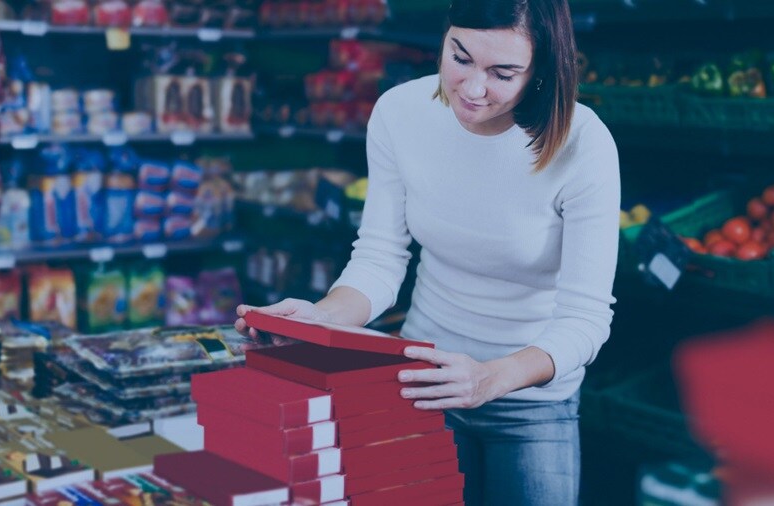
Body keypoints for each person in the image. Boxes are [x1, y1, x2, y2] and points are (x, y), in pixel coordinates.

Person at [235, 0, 619, 503]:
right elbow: (379, 257)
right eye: (460, 58)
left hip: (532, 400)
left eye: (503, 73)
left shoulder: (582, 143)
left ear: (542, 69)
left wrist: (489, 378)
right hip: (422, 380)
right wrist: (321, 318)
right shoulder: (401, 112)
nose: (474, 89)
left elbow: (585, 317)